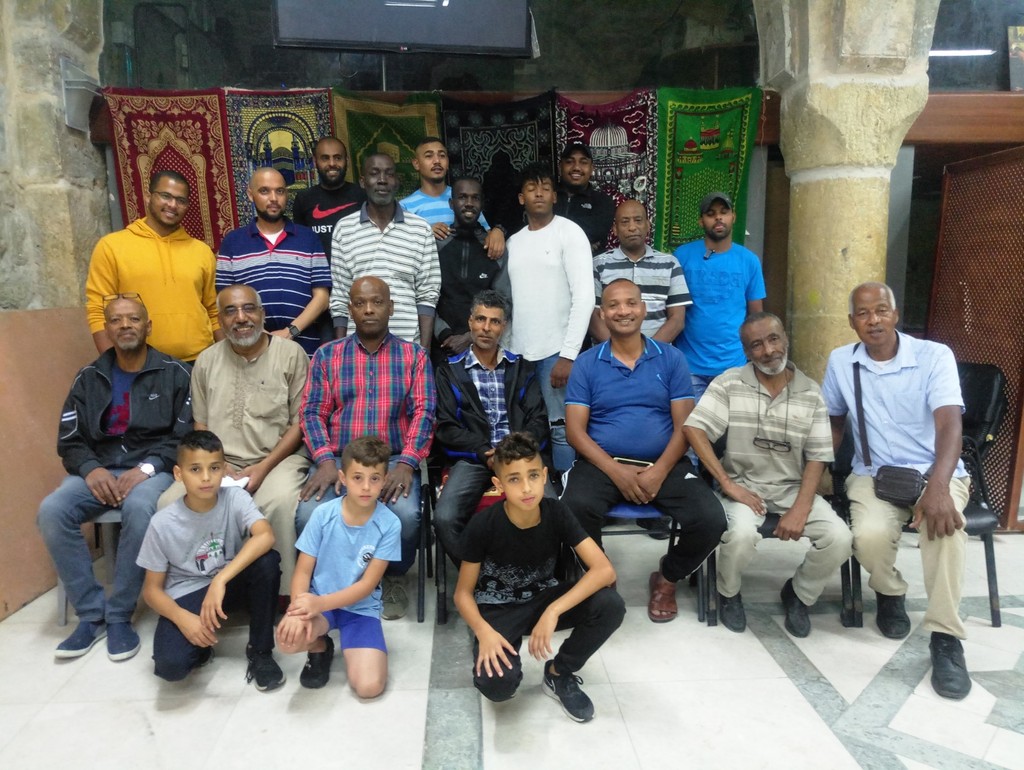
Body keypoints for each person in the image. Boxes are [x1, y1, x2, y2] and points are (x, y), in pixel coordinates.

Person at [822, 282, 974, 700]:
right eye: (864, 314)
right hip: (874, 474)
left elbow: (949, 425)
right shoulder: (840, 362)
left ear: (896, 313)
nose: (874, 321)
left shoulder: (933, 356)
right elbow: (833, 423)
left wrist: (939, 485)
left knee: (944, 531)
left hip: (936, 471)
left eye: (882, 310)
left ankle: (946, 638)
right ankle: (890, 591)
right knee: (867, 537)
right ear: (852, 321)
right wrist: (812, 471)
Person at [560, 280, 726, 623]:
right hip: (602, 465)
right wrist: (616, 471)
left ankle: (667, 579)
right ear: (603, 314)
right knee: (573, 508)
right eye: (614, 305)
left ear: (644, 309)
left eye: (631, 303)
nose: (623, 311)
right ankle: (602, 577)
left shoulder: (672, 359)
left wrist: (659, 471)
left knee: (712, 520)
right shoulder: (587, 363)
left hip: (665, 463)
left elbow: (686, 426)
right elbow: (575, 432)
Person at [37, 295, 192, 661]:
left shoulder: (174, 372)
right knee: (52, 511)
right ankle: (92, 615)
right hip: (99, 469)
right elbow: (69, 439)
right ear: (106, 328)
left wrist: (149, 468)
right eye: (117, 320)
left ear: (147, 326)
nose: (125, 326)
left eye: (133, 319)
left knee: (141, 508)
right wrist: (91, 469)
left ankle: (120, 614)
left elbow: (184, 436)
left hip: (153, 468)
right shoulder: (89, 377)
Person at [683, 312, 852, 637]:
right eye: (756, 345)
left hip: (793, 489)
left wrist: (802, 507)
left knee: (840, 538)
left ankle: (799, 594)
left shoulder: (810, 391)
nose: (768, 350)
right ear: (747, 352)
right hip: (744, 489)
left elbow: (818, 455)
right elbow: (694, 429)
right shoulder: (730, 382)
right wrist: (728, 484)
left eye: (773, 339)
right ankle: (728, 593)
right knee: (742, 534)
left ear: (785, 339)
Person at [453, 432, 625, 723]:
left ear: (545, 475)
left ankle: (559, 672)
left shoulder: (556, 511)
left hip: (544, 597)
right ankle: (500, 656)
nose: (527, 487)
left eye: (533, 475)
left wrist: (553, 610)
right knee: (497, 686)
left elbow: (604, 571)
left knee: (611, 604)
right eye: (514, 479)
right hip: (498, 608)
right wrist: (483, 632)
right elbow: (462, 594)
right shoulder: (483, 525)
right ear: (498, 485)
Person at [156, 284, 311, 590]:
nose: (241, 318)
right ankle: (193, 588)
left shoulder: (291, 355)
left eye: (248, 309)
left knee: (276, 502)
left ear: (262, 314)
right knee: (170, 501)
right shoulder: (207, 360)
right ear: (221, 320)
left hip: (279, 459)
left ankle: (280, 594)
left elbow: (300, 424)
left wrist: (264, 467)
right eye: (230, 311)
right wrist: (217, 464)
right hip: (218, 461)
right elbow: (200, 421)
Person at [298, 276, 435, 620]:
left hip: (391, 464)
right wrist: (326, 460)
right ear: (350, 309)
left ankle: (391, 578)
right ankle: (331, 581)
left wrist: (407, 462)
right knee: (307, 514)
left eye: (377, 302)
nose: (369, 309)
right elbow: (312, 412)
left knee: (405, 516)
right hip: (339, 463)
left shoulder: (414, 356)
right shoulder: (328, 356)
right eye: (360, 303)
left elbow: (425, 412)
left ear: (391, 307)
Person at [137, 430, 284, 690]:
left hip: (228, 583)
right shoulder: (162, 523)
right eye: (195, 469)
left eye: (214, 468)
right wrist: (183, 618)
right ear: (179, 474)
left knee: (267, 562)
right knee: (170, 667)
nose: (206, 477)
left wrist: (220, 580)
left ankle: (261, 652)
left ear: (224, 470)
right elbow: (151, 591)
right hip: (188, 591)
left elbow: (265, 536)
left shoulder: (235, 498)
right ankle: (200, 647)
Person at [276, 436, 400, 696]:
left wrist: (318, 604)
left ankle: (348, 641)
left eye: (374, 478)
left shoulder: (389, 524)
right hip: (319, 603)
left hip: (359, 609)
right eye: (357, 478)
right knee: (288, 642)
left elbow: (367, 586)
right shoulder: (322, 514)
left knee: (369, 688)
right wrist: (299, 608)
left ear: (384, 479)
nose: (366, 486)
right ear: (343, 478)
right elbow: (302, 571)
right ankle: (319, 646)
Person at [434, 290, 551, 561]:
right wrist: (484, 451)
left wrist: (514, 451)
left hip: (520, 457)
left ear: (504, 326)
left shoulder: (521, 368)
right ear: (470, 321)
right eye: (480, 319)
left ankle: (534, 578)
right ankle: (477, 578)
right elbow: (446, 426)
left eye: (495, 321)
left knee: (553, 508)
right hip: (474, 459)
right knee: (445, 517)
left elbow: (539, 419)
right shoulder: (449, 370)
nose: (486, 328)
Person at [506, 163, 593, 475]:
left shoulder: (569, 233)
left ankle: (567, 505)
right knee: (522, 432)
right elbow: (510, 301)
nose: (538, 193)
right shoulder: (513, 242)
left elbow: (585, 297)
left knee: (562, 429)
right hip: (518, 355)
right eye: (531, 188)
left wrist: (569, 355)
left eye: (544, 188)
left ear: (555, 196)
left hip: (557, 352)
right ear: (520, 198)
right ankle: (535, 502)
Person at [85, 170, 221, 363]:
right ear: (148, 196)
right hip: (139, 364)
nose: (172, 205)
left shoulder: (201, 251)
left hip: (199, 361)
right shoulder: (112, 246)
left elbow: (214, 312)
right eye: (165, 196)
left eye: (181, 200)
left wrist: (226, 363)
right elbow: (98, 310)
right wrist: (113, 365)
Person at [216, 167, 330, 356]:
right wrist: (260, 334)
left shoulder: (308, 238)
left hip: (305, 350)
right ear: (250, 195)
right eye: (264, 191)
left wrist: (290, 332)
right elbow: (224, 303)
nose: (273, 198)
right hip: (251, 349)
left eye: (280, 191)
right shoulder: (232, 243)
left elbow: (322, 297)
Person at [330, 153, 440, 346]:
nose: (382, 180)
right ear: (363, 182)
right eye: (374, 173)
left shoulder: (420, 229)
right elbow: (340, 297)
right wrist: (340, 352)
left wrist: (423, 352)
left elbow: (428, 295)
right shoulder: (344, 229)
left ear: (397, 182)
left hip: (407, 349)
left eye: (389, 174)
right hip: (357, 350)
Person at [673, 191, 766, 400]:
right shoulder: (682, 256)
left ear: (733, 217)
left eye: (724, 212)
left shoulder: (749, 261)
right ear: (700, 221)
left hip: (734, 366)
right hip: (690, 366)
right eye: (710, 213)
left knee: (733, 432)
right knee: (692, 429)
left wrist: (756, 363)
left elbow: (756, 318)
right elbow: (672, 310)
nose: (718, 218)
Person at [432, 177, 511, 360]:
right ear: (452, 203)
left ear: (482, 204)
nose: (469, 203)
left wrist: (469, 337)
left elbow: (503, 301)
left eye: (475, 198)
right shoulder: (436, 245)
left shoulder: (493, 248)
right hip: (441, 347)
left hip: (483, 348)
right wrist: (445, 334)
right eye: (462, 197)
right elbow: (425, 298)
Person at [592, 199, 690, 344]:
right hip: (609, 357)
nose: (632, 227)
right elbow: (593, 317)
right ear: (615, 229)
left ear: (648, 225)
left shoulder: (669, 263)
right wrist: (619, 350)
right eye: (625, 222)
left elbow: (677, 319)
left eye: (638, 220)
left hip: (657, 355)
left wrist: (648, 353)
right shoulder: (599, 264)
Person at [399, 136, 505, 258]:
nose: (437, 161)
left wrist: (498, 231)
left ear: (448, 162)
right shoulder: (404, 207)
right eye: (429, 156)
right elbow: (402, 248)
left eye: (442, 155)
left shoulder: (464, 199)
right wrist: (425, 232)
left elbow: (486, 236)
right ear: (416, 164)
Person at [292, 136, 367, 260]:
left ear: (347, 161)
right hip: (319, 276)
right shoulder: (303, 199)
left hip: (356, 275)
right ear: (315, 162)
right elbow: (301, 244)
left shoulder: (362, 196)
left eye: (338, 158)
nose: (332, 164)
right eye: (325, 158)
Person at [555, 141, 615, 256]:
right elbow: (538, 229)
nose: (576, 167)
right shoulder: (548, 197)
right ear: (560, 166)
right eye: (569, 162)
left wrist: (553, 226)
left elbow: (596, 232)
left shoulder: (603, 201)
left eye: (583, 162)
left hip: (591, 269)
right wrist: (585, 243)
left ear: (592, 168)